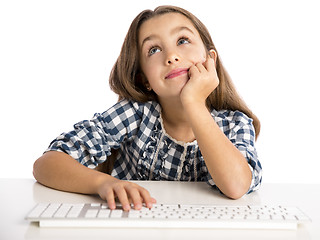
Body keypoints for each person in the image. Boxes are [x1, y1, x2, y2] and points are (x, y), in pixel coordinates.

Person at [33, 5, 262, 211]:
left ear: (210, 59)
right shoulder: (135, 114)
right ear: (145, 80)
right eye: (154, 50)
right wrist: (103, 183)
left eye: (182, 41)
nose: (171, 56)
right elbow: (46, 164)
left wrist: (193, 102)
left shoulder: (236, 123)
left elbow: (236, 186)